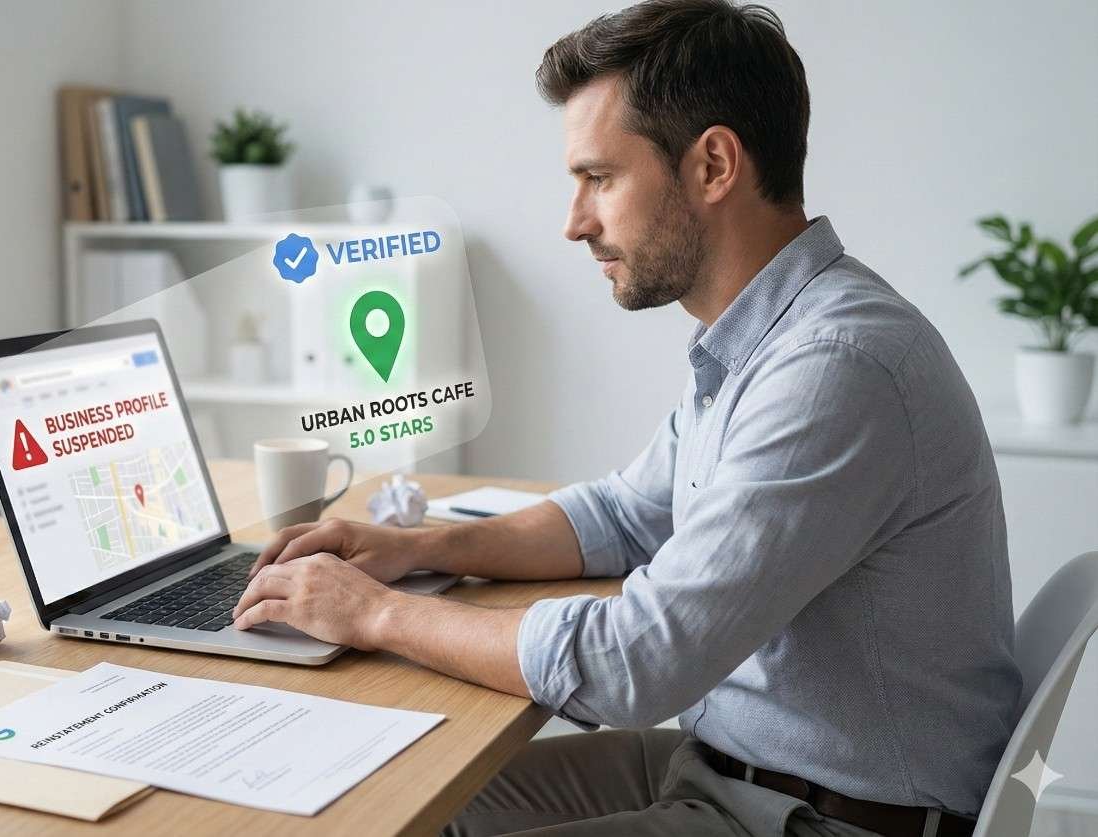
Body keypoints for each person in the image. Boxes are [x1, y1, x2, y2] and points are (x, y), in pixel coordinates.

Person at [229, 1, 1022, 834]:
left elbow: (637, 662)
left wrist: (376, 612)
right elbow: (622, 513)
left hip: (821, 814)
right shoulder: (755, 340)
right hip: (728, 764)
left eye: (599, 178)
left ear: (714, 164)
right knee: (397, 803)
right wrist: (417, 548)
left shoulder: (834, 368)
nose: (574, 222)